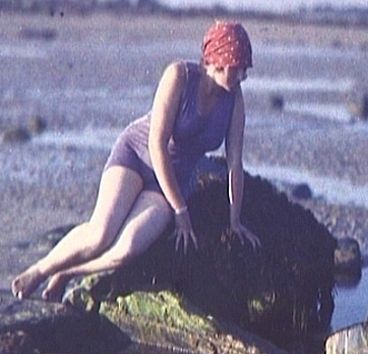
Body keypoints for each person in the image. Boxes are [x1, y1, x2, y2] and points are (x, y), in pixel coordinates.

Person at [11, 20, 261, 302]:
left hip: (171, 181)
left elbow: (234, 163)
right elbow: (157, 144)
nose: (242, 76)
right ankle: (40, 270)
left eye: (245, 69)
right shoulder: (178, 75)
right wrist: (180, 210)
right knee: (101, 234)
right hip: (136, 155)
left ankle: (68, 273)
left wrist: (235, 220)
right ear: (217, 61)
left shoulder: (234, 101)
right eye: (237, 68)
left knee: (127, 249)